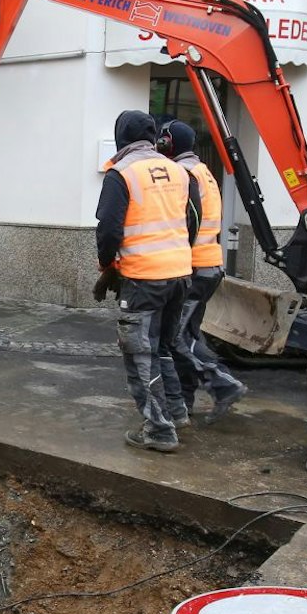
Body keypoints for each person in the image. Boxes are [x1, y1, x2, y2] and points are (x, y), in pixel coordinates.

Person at [97, 111, 198, 452]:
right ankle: (177, 412)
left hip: (143, 278)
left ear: (120, 137)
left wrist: (108, 266)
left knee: (141, 355)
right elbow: (192, 220)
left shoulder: (121, 173)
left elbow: (109, 229)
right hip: (180, 274)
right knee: (164, 348)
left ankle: (158, 430)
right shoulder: (180, 171)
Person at [159, 120, 248, 423]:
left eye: (164, 140)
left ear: (169, 144)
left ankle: (222, 385)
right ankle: (184, 401)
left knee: (173, 337)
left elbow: (189, 221)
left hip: (194, 268)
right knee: (188, 336)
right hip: (209, 264)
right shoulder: (204, 170)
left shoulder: (185, 174)